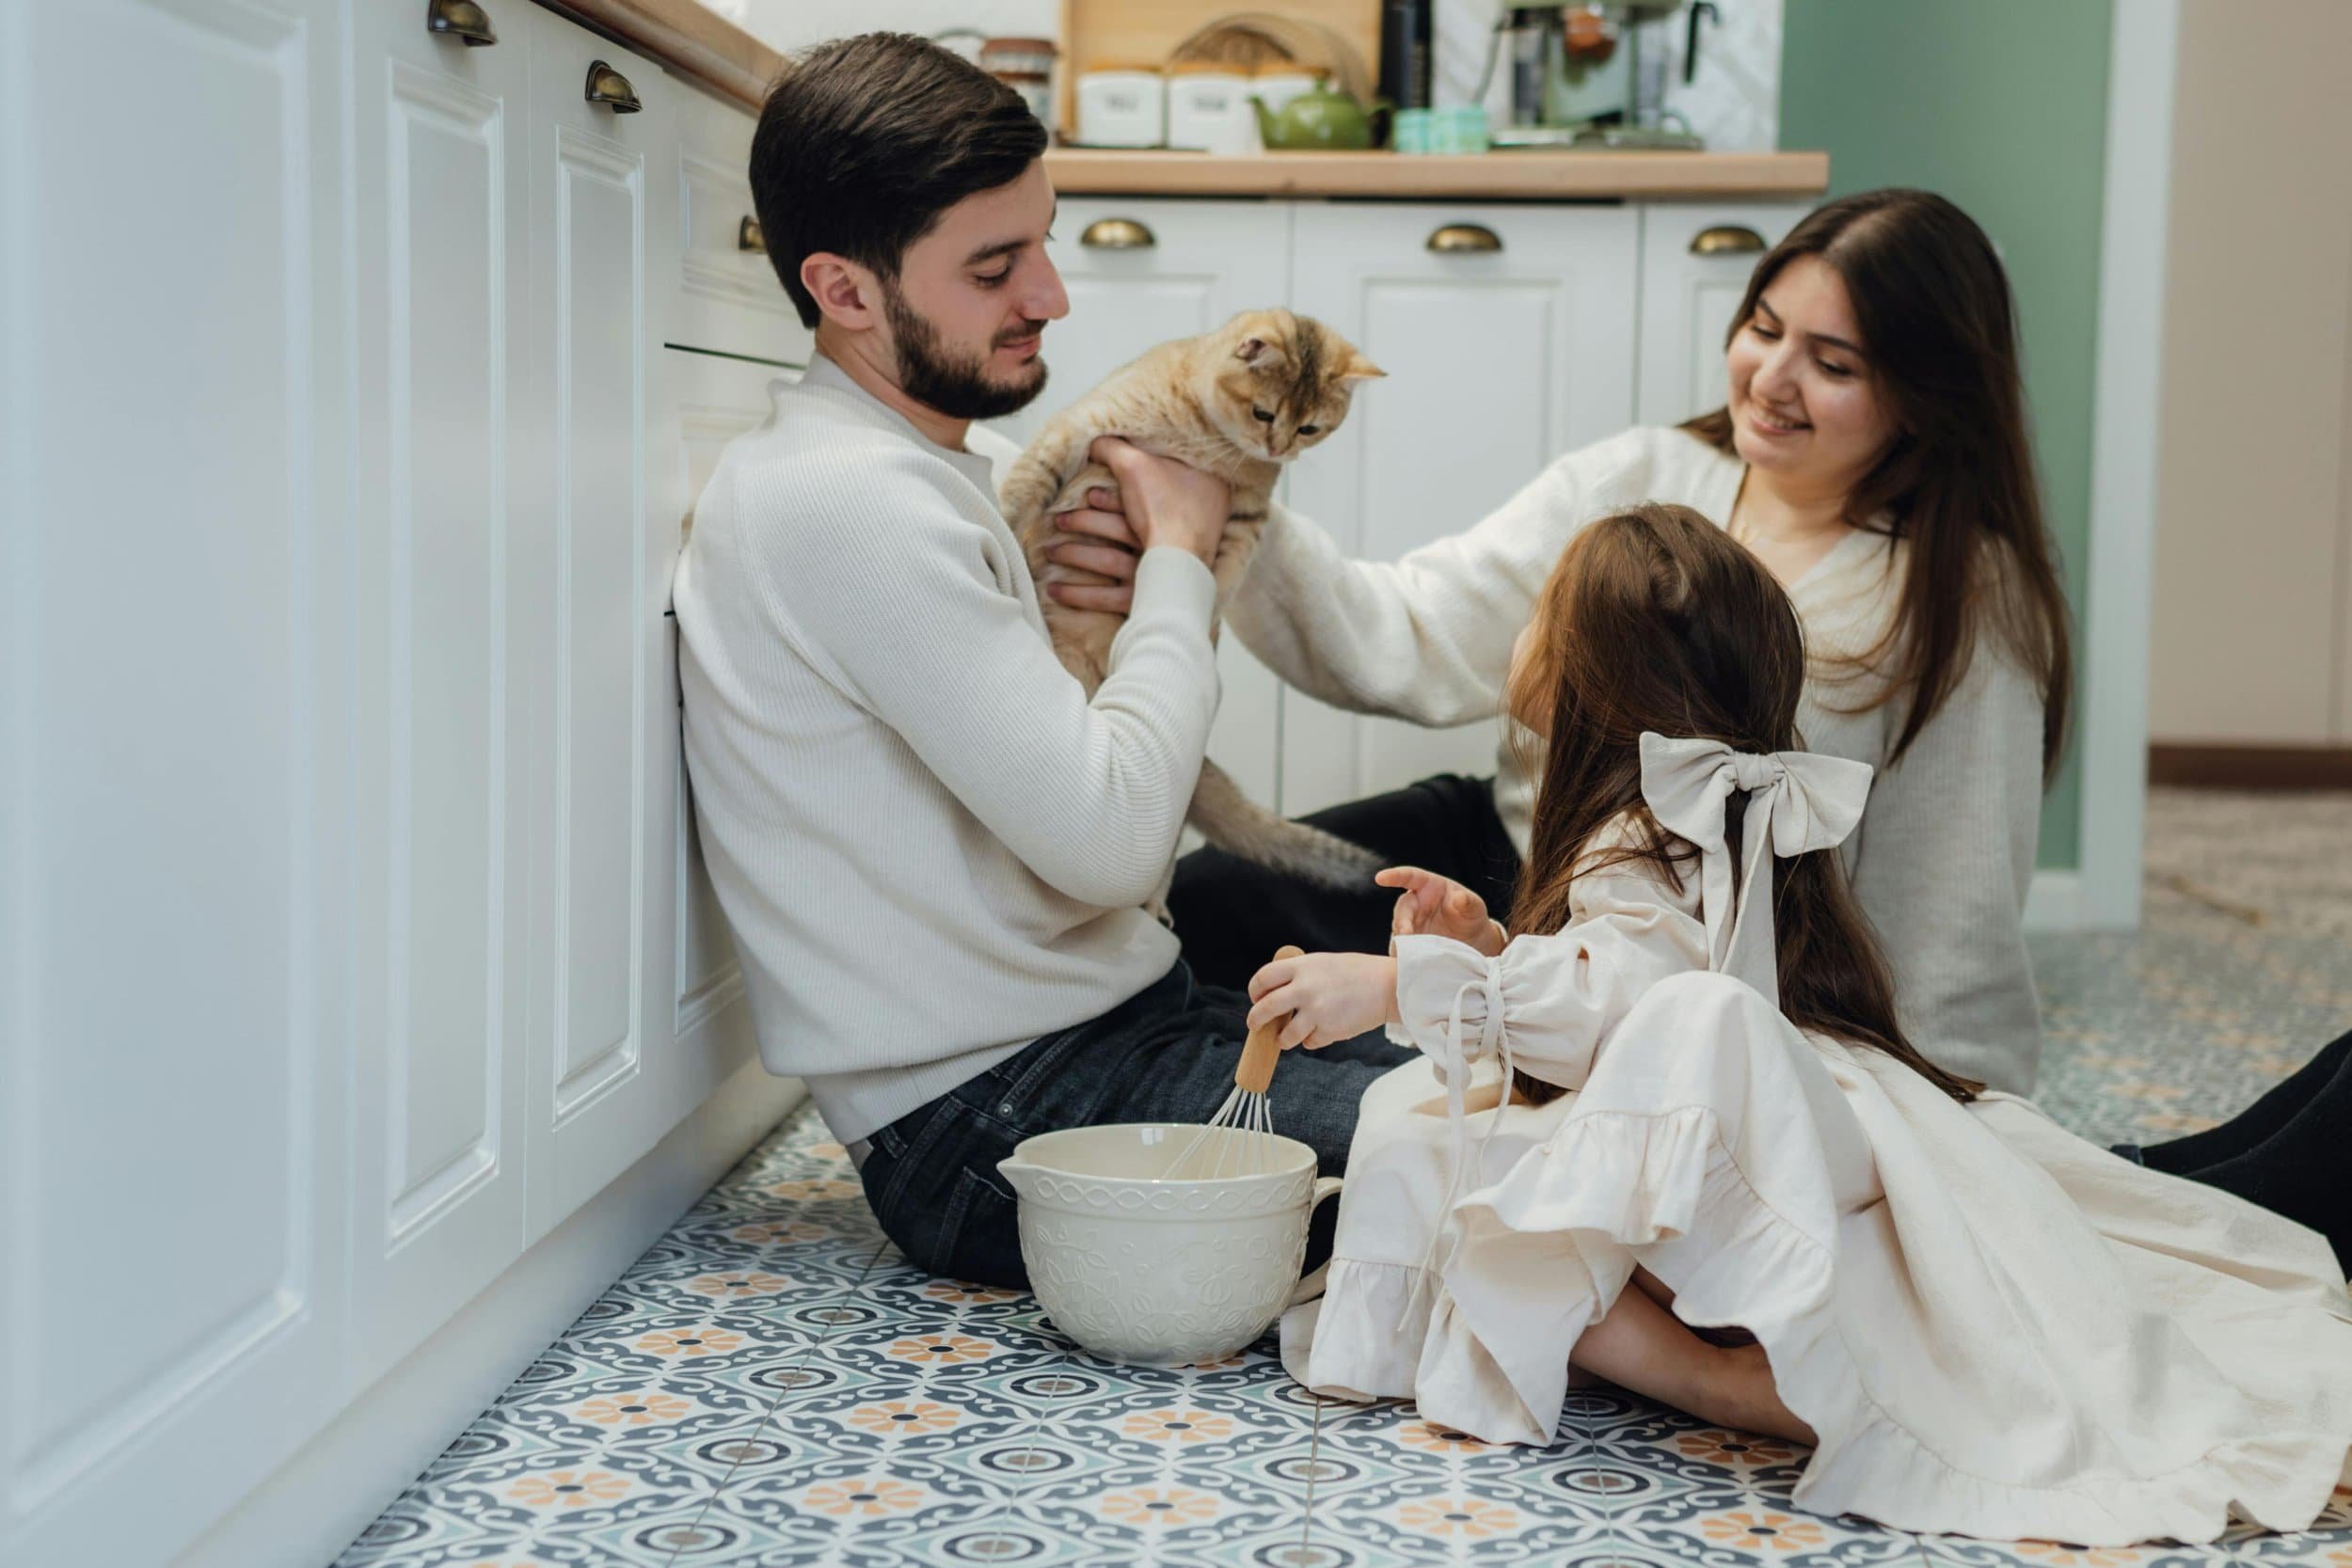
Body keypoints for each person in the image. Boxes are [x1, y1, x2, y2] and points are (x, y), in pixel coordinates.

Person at [1247, 503, 2352, 1544]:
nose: (1522, 630)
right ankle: (1649, 1345)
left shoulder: (1647, 825)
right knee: (1438, 1123)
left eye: (1542, 610)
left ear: (1592, 672)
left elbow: (1628, 1002)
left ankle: (1704, 1372)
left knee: (1467, 1131)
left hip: (1758, 1116)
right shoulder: (1652, 815)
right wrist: (1483, 949)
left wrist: (1400, 988)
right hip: (1761, 1103)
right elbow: (1603, 980)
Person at [1045, 188, 2070, 1098]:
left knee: (1427, 1080)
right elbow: (1406, 629)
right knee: (1194, 915)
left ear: (1925, 399)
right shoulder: (1639, 475)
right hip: (1510, 866)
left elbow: (1952, 921)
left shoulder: (1964, 599)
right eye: (1762, 327)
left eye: (1832, 362)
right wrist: (1211, 502)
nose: (1771, 377)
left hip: (1701, 965)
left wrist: (1952, 1121)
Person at [671, 32, 1406, 1290]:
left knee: (1527, 1088)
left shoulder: (910, 477)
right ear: (844, 291)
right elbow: (1118, 839)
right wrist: (1177, 553)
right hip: (995, 1122)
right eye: (996, 266)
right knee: (1542, 1153)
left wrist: (1124, 610)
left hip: (1099, 1032)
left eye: (1045, 241)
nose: (1052, 296)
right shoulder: (847, 500)